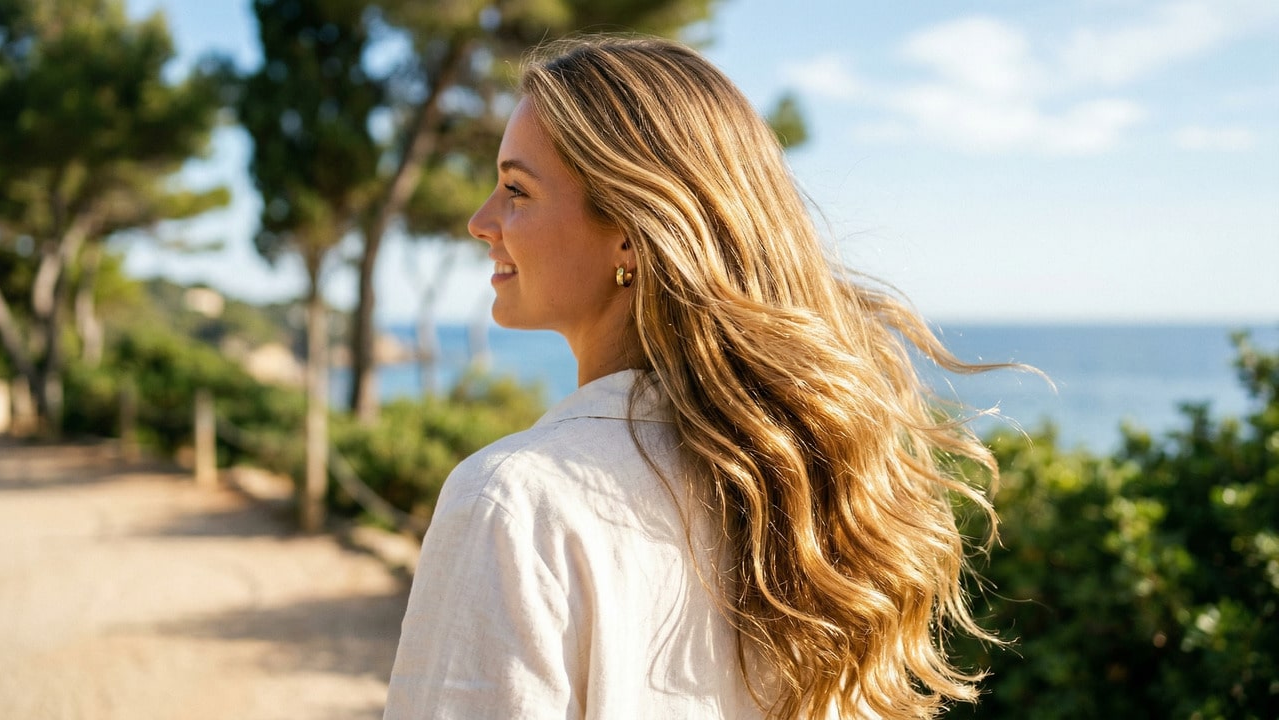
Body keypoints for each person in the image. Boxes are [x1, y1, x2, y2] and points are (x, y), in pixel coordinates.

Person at [385, 35, 1005, 720]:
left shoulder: (514, 502)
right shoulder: (802, 493)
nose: (481, 222)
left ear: (628, 227)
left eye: (515, 189)